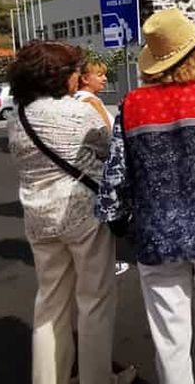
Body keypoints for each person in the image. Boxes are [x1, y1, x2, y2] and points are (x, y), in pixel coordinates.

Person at [96, 8, 195, 384]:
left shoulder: (132, 106)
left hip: (156, 237)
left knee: (169, 338)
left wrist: (119, 219)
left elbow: (116, 173)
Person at [7, 41, 135, 384]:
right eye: (75, 72)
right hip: (82, 214)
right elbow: (110, 150)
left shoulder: (17, 117)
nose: (78, 78)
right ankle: (97, 378)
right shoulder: (76, 113)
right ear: (60, 76)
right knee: (94, 300)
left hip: (37, 215)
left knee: (49, 303)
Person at [75, 59, 130, 277]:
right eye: (99, 75)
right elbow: (106, 137)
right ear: (85, 78)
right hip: (98, 166)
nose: (105, 78)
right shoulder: (90, 101)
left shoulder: (75, 100)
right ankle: (106, 263)